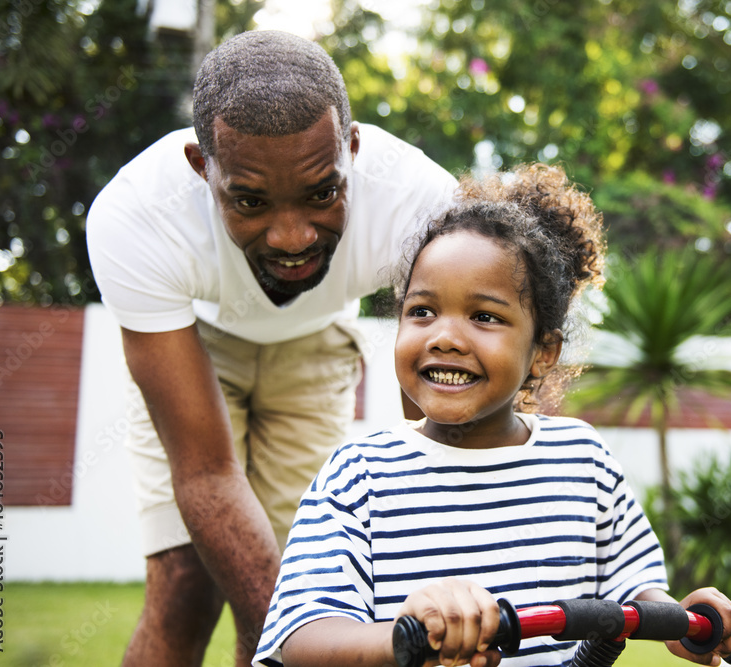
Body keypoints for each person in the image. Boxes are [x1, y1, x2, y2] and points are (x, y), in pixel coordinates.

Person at [253, 164, 731, 667]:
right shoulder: (359, 474)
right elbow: (302, 638)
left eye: (484, 317)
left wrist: (681, 622)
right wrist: (406, 638)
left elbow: (634, 587)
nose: (444, 336)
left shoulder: (583, 461)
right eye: (422, 310)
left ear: (543, 351)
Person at [85, 30, 458, 667]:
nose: (291, 238)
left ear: (353, 149)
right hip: (195, 345)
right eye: (250, 200)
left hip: (315, 353)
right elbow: (205, 473)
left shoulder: (419, 205)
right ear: (202, 169)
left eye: (321, 194)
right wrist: (300, 643)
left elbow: (431, 444)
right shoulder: (135, 217)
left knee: (306, 577)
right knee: (187, 586)